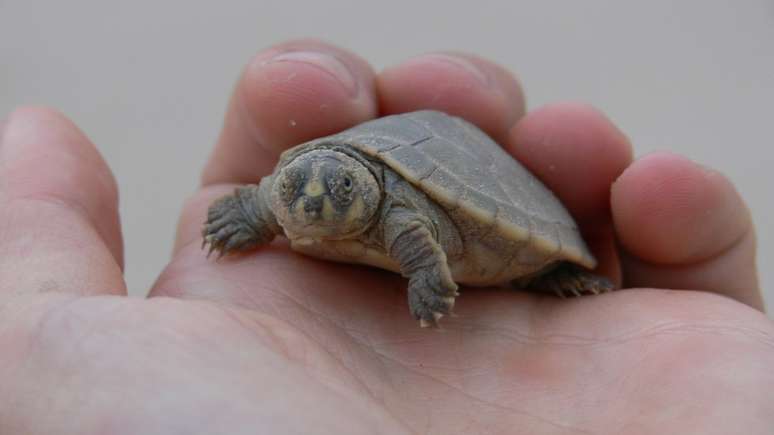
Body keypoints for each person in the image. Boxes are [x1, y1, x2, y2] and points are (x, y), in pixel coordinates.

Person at [0, 39, 771, 434]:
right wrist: (257, 212)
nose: (314, 201)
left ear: (362, 187)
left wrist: (427, 278)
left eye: (337, 191)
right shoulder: (284, 189)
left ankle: (550, 273)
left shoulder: (398, 210)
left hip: (485, 229)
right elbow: (271, 195)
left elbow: (411, 227)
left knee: (544, 254)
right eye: (302, 192)